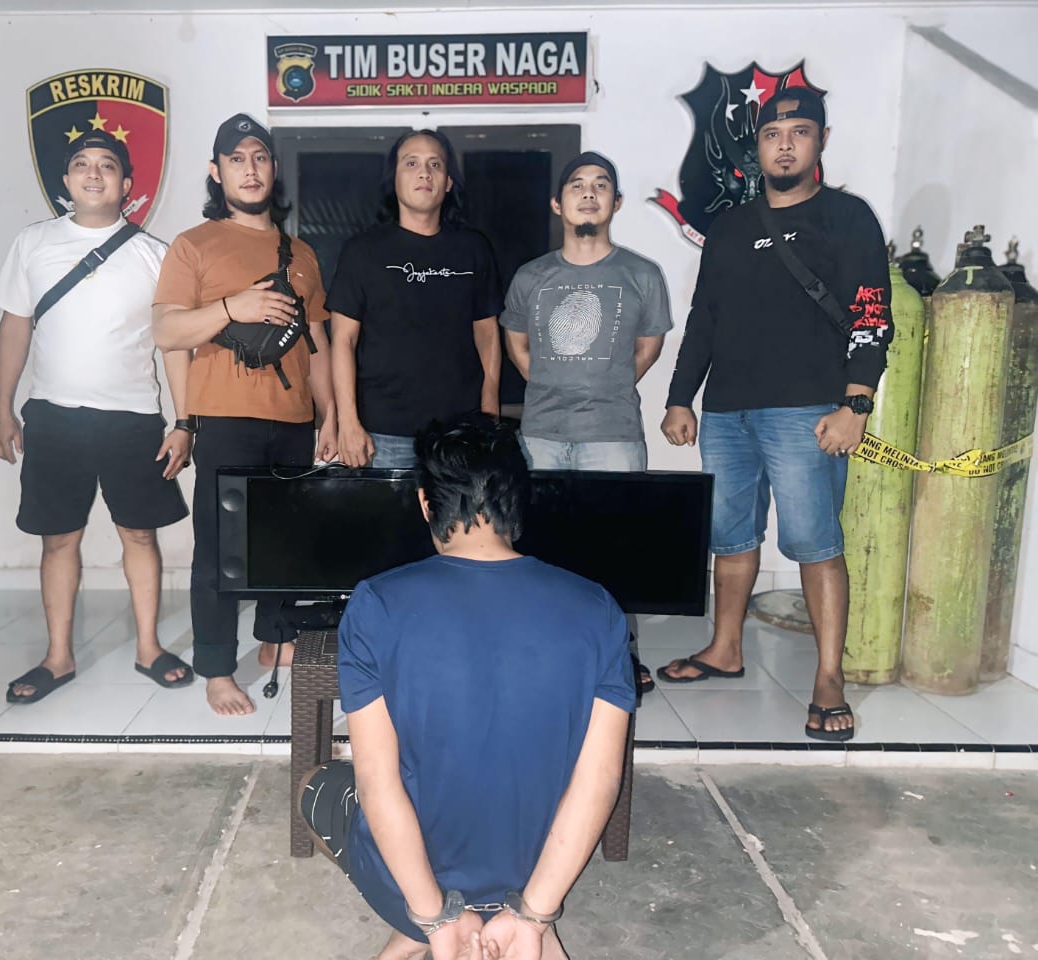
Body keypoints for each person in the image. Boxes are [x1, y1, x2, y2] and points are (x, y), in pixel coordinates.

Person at [299, 416, 635, 960]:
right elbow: (600, 780)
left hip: (419, 889)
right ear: (519, 501)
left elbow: (377, 782)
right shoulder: (597, 608)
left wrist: (435, 918)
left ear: (426, 504)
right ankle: (525, 929)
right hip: (533, 878)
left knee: (317, 785)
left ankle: (420, 930)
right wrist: (534, 914)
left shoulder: (376, 603)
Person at [659, 88, 893, 740]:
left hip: (808, 411)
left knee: (816, 543)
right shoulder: (730, 227)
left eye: (799, 132)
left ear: (821, 141)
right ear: (757, 147)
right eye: (772, 135)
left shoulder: (847, 217)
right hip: (727, 411)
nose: (784, 145)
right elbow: (704, 318)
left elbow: (872, 312)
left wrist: (856, 403)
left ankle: (828, 678)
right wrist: (680, 397)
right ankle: (725, 648)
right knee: (731, 536)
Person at [0, 130, 193, 704]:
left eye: (107, 165)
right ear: (66, 180)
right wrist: (1, 408)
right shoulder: (33, 243)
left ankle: (148, 647)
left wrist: (185, 422)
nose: (94, 173)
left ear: (127, 185)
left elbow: (175, 345)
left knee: (140, 534)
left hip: (133, 419)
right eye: (82, 163)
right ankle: (58, 656)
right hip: (54, 418)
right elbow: (14, 328)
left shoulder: (155, 254)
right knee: (58, 540)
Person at [152, 113, 336, 717]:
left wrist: (331, 416)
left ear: (273, 169)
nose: (249, 169)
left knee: (285, 542)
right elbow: (167, 332)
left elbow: (316, 342)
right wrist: (234, 306)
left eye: (259, 157)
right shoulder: (193, 245)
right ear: (217, 171)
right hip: (225, 419)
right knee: (220, 552)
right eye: (236, 159)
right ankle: (216, 668)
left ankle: (275, 639)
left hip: (294, 421)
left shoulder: (301, 252)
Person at [329, 129, 504, 469]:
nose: (424, 173)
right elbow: (343, 341)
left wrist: (489, 409)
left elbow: (487, 334)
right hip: (383, 434)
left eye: (435, 164)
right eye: (411, 163)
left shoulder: (473, 248)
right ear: (393, 179)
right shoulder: (362, 251)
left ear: (448, 182)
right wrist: (347, 422)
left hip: (460, 433)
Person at [501, 151, 672, 472]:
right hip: (540, 437)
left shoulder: (643, 274)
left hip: (614, 438)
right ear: (556, 203)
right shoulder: (529, 276)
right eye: (577, 185)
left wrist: (608, 383)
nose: (589, 193)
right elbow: (516, 343)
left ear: (617, 202)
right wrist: (550, 382)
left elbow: (648, 349)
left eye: (600, 186)